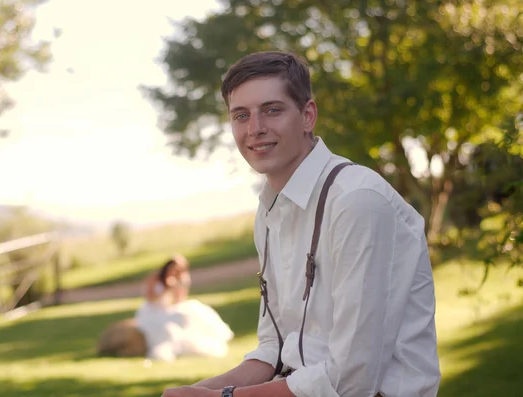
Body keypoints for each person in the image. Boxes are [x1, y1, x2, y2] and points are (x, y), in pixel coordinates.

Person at [162, 51, 441, 397]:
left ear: (308, 115)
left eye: (272, 110)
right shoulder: (268, 212)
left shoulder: (357, 201)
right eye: (240, 115)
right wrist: (196, 391)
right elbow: (275, 348)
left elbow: (352, 378)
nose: (255, 128)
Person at [135, 254, 234, 362]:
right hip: (153, 311)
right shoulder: (155, 277)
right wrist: (165, 289)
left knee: (193, 310)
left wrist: (175, 287)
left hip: (169, 309)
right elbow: (149, 297)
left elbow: (179, 300)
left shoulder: (181, 279)